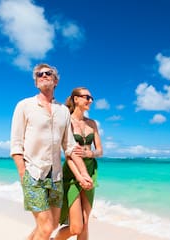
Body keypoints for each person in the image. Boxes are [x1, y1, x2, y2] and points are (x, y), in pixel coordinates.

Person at [10, 64, 93, 240]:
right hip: (33, 174)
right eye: (39, 74)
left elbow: (70, 147)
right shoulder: (24, 106)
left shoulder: (63, 111)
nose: (43, 76)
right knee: (46, 227)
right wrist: (22, 172)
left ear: (55, 81)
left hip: (56, 177)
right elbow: (16, 144)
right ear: (36, 82)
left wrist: (83, 174)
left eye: (48, 73)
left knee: (51, 225)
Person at [55, 87, 103, 240]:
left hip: (90, 171)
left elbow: (100, 150)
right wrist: (79, 177)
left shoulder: (92, 123)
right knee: (76, 226)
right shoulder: (66, 122)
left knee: (85, 223)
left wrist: (91, 153)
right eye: (86, 97)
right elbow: (68, 154)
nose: (90, 100)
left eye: (91, 98)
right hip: (72, 173)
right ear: (76, 99)